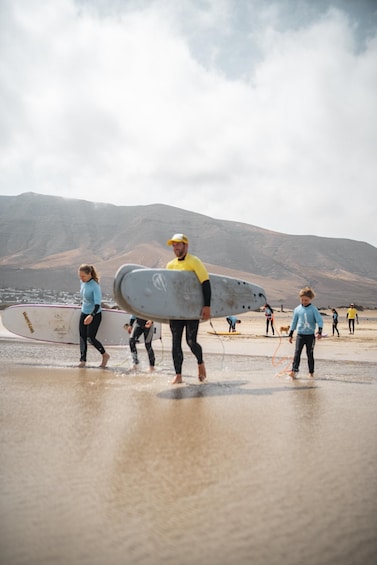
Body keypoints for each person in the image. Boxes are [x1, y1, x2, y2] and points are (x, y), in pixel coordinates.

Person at [166, 233, 211, 384]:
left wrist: (207, 306)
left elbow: (205, 283)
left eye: (178, 244)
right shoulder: (170, 265)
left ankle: (200, 363)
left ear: (186, 245)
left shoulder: (194, 261)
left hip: (192, 309)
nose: (175, 247)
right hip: (176, 310)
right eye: (173, 245)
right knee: (175, 342)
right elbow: (168, 290)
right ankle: (178, 375)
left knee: (191, 342)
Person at [78, 264, 110, 368]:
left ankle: (105, 355)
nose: (81, 278)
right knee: (82, 337)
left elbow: (97, 304)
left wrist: (91, 315)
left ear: (89, 274)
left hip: (95, 314)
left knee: (90, 337)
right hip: (84, 312)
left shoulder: (95, 286)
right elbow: (85, 299)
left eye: (83, 276)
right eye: (80, 276)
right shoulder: (83, 283)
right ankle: (82, 361)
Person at [288, 287, 323, 379]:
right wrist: (290, 334)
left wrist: (319, 331)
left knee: (309, 354)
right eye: (302, 300)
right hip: (300, 335)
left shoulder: (313, 309)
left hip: (310, 336)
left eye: (306, 300)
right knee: (297, 353)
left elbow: (319, 321)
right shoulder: (297, 309)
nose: (304, 301)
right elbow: (294, 322)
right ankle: (294, 371)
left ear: (310, 299)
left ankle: (311, 372)